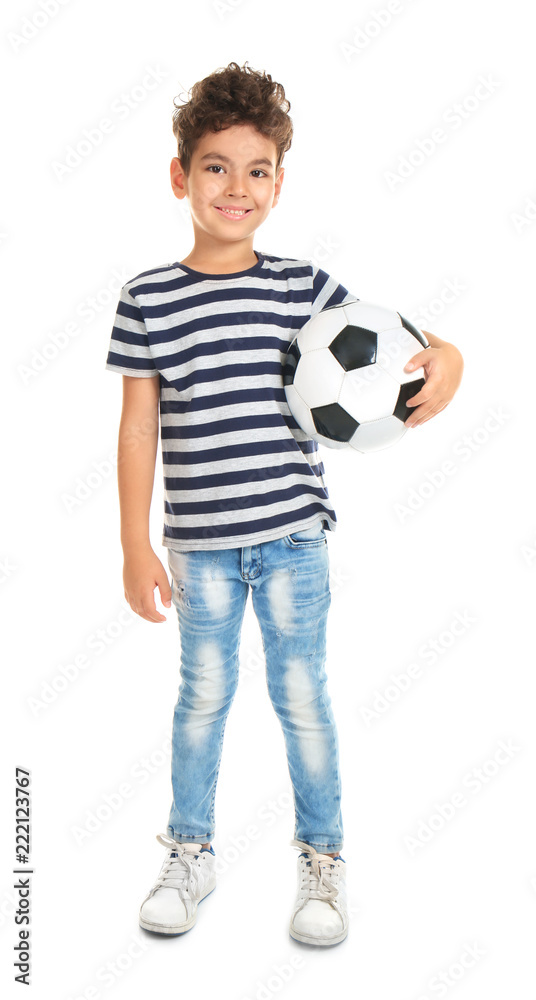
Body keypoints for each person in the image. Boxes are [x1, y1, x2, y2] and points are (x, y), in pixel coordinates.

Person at [104, 61, 464, 947]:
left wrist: (449, 359)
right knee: (203, 698)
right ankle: (191, 852)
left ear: (278, 183)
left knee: (303, 695)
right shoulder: (146, 297)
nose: (237, 187)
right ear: (180, 176)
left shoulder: (304, 288)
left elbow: (401, 350)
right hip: (198, 548)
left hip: (296, 540)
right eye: (217, 167)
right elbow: (138, 429)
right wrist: (134, 545)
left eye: (257, 169)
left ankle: (323, 862)